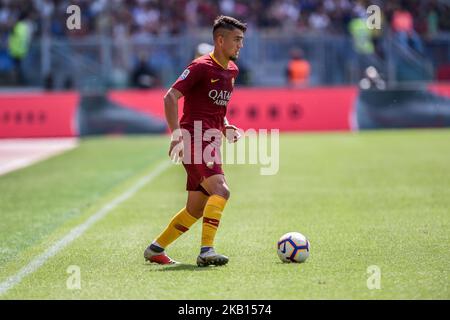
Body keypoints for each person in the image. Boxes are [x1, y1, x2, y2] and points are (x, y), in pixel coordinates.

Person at [143, 15, 246, 267]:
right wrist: (177, 134)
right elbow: (170, 97)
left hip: (210, 140)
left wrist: (225, 126)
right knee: (221, 191)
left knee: (196, 208)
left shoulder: (232, 71)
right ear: (220, 40)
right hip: (194, 138)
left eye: (242, 40)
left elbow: (216, 109)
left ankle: (155, 249)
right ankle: (206, 251)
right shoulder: (200, 67)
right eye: (236, 40)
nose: (240, 45)